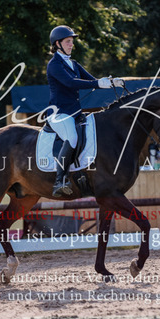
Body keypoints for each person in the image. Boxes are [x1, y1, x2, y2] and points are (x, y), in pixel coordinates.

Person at [46, 25, 123, 196]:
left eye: (71, 41)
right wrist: (97, 83)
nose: (71, 45)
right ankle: (60, 180)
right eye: (68, 41)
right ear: (58, 44)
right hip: (59, 114)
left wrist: (110, 82)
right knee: (72, 137)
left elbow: (92, 80)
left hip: (75, 113)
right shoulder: (54, 65)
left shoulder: (73, 64)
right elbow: (71, 83)